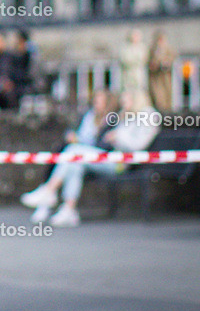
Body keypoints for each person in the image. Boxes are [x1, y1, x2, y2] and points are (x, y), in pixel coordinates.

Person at [20, 90, 159, 227]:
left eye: (127, 99)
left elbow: (138, 145)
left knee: (73, 151)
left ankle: (49, 190)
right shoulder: (128, 116)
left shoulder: (148, 116)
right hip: (113, 158)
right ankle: (69, 208)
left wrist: (117, 137)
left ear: (137, 99)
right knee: (75, 164)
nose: (123, 103)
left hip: (121, 163)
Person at [148, 30, 175, 113]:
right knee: (158, 95)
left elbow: (172, 58)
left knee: (167, 94)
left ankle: (167, 110)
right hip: (156, 77)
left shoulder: (168, 48)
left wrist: (166, 63)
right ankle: (160, 109)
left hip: (166, 76)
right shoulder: (153, 49)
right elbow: (150, 62)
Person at [120, 29, 148, 98]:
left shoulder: (142, 47)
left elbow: (143, 59)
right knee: (128, 91)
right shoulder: (126, 48)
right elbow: (125, 59)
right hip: (128, 74)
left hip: (138, 73)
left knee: (139, 91)